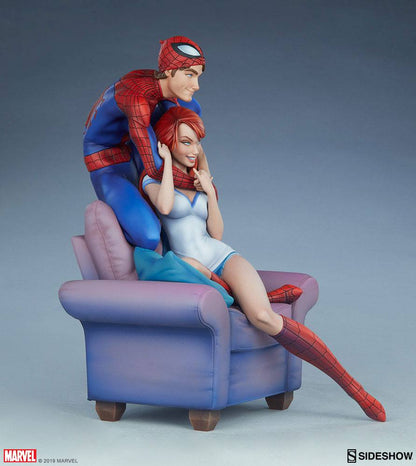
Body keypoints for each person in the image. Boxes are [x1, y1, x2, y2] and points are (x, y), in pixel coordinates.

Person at [140, 106, 386, 422]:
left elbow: (216, 232)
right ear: (167, 142)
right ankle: (257, 295)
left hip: (222, 257)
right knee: (197, 269)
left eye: (197, 142)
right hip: (194, 266)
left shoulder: (200, 177)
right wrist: (164, 164)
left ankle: (354, 389)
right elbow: (164, 205)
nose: (194, 149)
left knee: (262, 317)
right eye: (186, 142)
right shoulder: (152, 179)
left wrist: (209, 190)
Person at [83, 36, 208, 249]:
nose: (196, 85)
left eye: (197, 76)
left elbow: (189, 127)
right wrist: (196, 182)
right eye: (189, 75)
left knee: (189, 112)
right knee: (149, 235)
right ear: (169, 72)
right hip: (108, 158)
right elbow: (155, 168)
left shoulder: (162, 88)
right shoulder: (137, 99)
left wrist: (200, 177)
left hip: (135, 141)